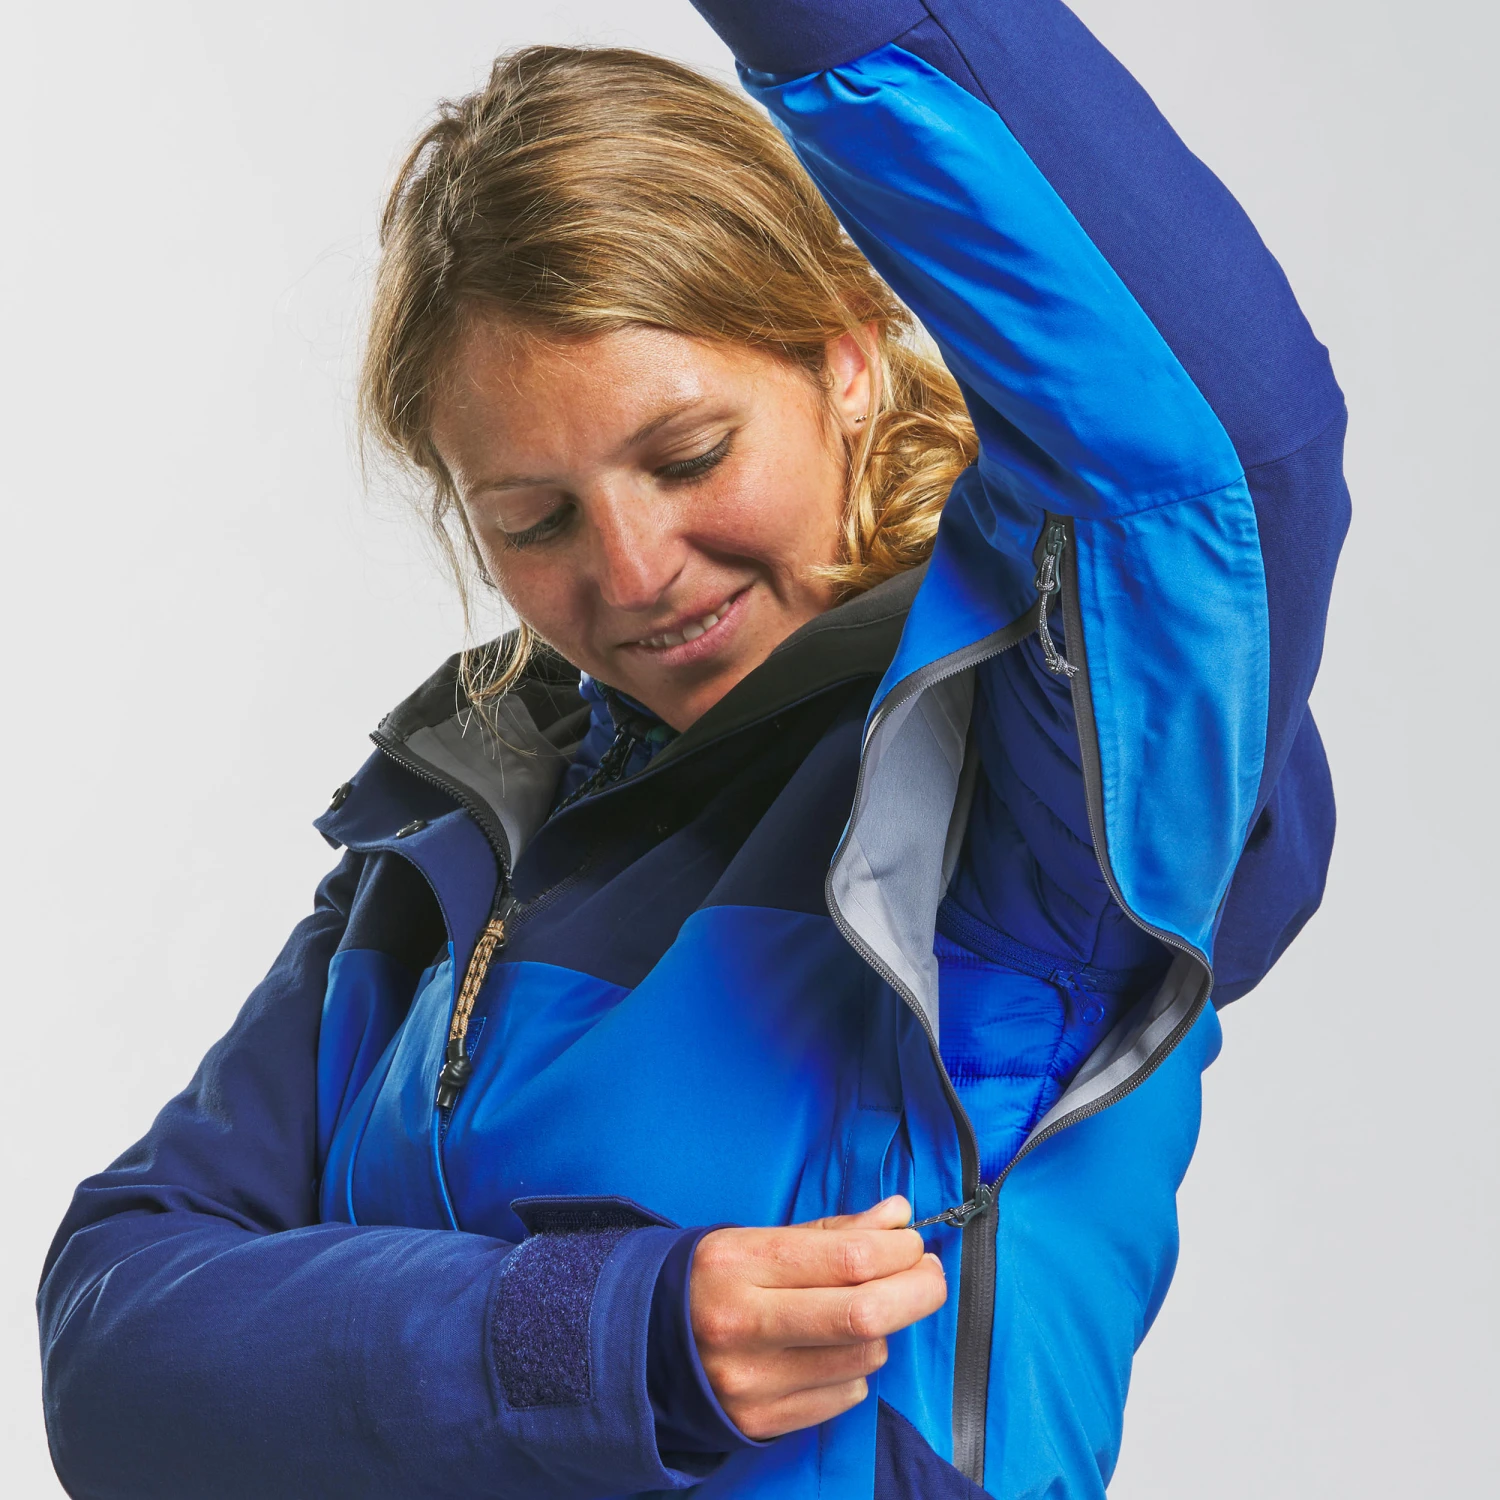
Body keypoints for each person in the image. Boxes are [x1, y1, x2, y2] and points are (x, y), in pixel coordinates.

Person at [37, 3, 1349, 1496]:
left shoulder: (1015, 792)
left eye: (688, 457)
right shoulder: (448, 850)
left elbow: (1209, 470)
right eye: (535, 519)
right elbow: (114, 1346)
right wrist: (606, 1338)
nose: (635, 571)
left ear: (846, 360)